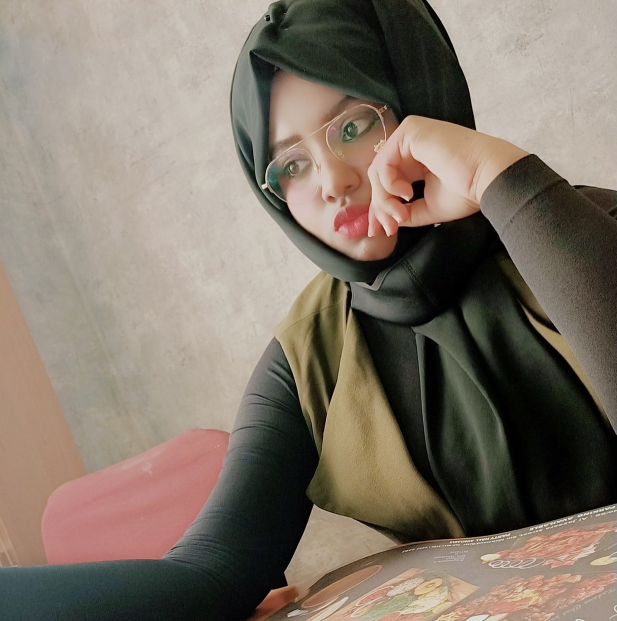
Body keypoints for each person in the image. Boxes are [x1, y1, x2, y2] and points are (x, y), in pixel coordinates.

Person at [1, 0, 616, 619]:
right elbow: (212, 572)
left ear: (420, 95)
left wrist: (495, 175)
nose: (331, 181)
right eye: (291, 164)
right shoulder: (309, 355)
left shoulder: (582, 227)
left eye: (352, 128)